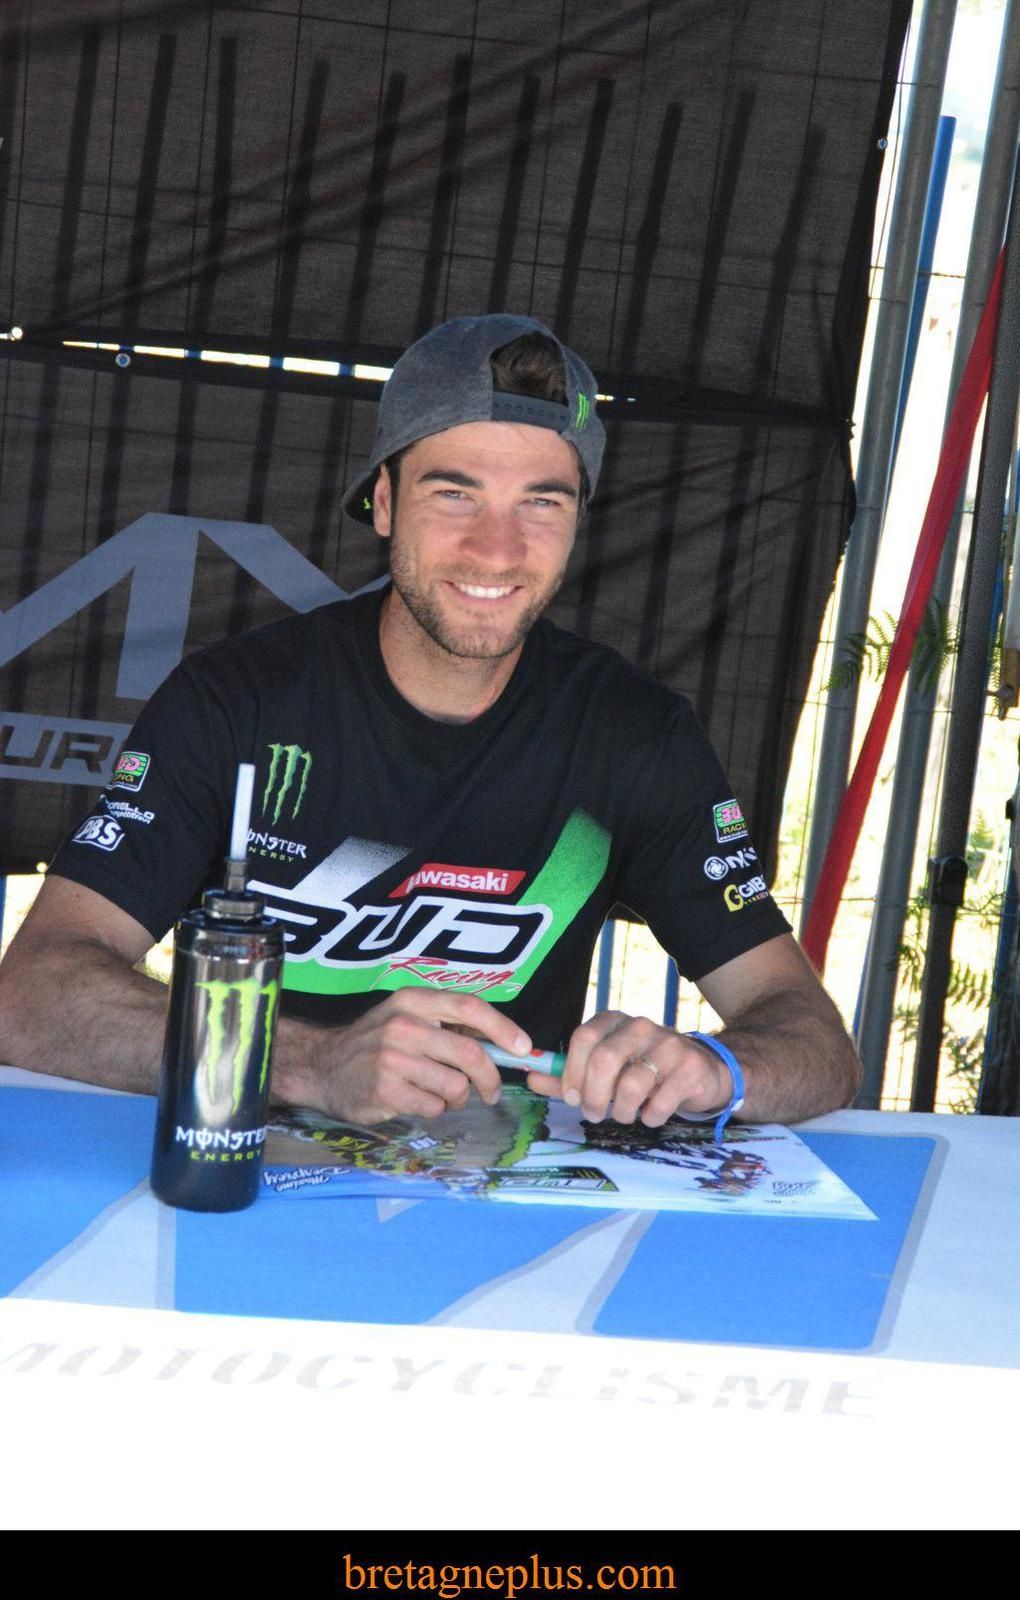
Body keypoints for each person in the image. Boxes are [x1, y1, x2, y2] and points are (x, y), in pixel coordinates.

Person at [0, 314, 861, 1129]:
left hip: (495, 1188)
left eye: (542, 503)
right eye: (455, 494)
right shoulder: (236, 702)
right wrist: (306, 1063)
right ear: (383, 502)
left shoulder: (635, 734)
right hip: (242, 1167)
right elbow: (29, 995)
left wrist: (718, 1068)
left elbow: (816, 1042)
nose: (497, 549)